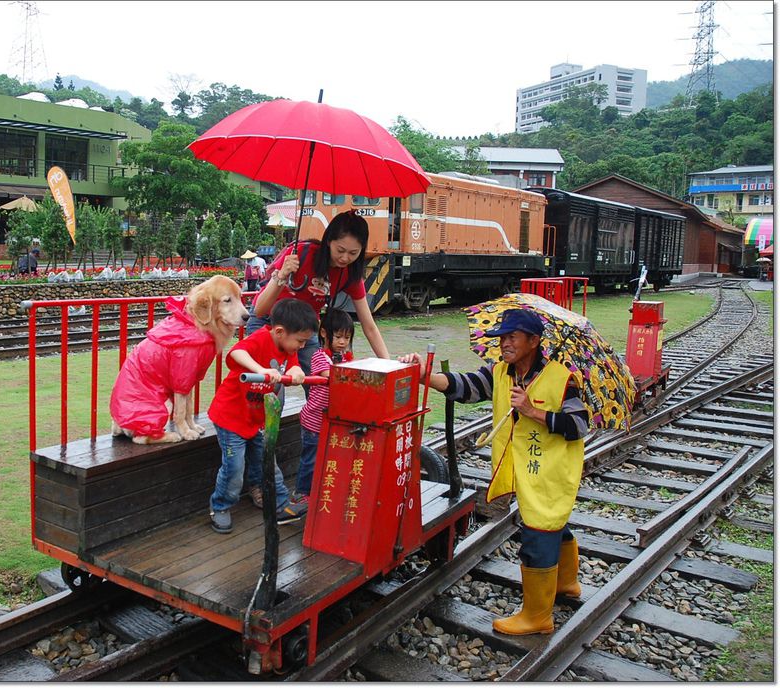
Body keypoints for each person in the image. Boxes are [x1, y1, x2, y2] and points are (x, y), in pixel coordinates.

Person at [400, 308, 589, 636]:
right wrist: (424, 375)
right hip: (526, 472)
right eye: (501, 338)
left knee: (538, 534)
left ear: (534, 341)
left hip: (551, 474)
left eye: (512, 337)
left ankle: (537, 616)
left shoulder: (563, 379)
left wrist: (532, 411)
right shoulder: (502, 372)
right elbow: (465, 386)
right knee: (552, 525)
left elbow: (579, 425)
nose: (504, 343)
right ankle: (566, 583)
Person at [206, 298, 318, 534]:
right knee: (234, 468)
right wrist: (261, 370)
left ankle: (280, 504)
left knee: (268, 461)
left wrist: (297, 372)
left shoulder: (288, 348)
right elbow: (236, 352)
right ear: (280, 332)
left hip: (257, 419)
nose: (301, 346)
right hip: (231, 418)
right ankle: (220, 506)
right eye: (300, 341)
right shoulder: (260, 339)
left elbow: (294, 365)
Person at [248, 210, 390, 380]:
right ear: (329, 241)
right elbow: (260, 310)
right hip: (269, 323)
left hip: (305, 330)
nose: (345, 258)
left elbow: (369, 326)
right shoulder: (300, 253)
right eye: (340, 250)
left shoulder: (351, 275)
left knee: (323, 384)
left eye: (353, 253)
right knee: (270, 387)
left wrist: (389, 365)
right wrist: (283, 274)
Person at [294, 308, 355, 503]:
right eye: (338, 336)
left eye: (347, 337)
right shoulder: (319, 357)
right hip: (314, 420)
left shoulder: (346, 357)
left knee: (330, 456)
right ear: (323, 333)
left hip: (331, 420)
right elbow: (334, 376)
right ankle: (302, 492)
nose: (342, 342)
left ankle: (322, 488)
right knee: (311, 459)